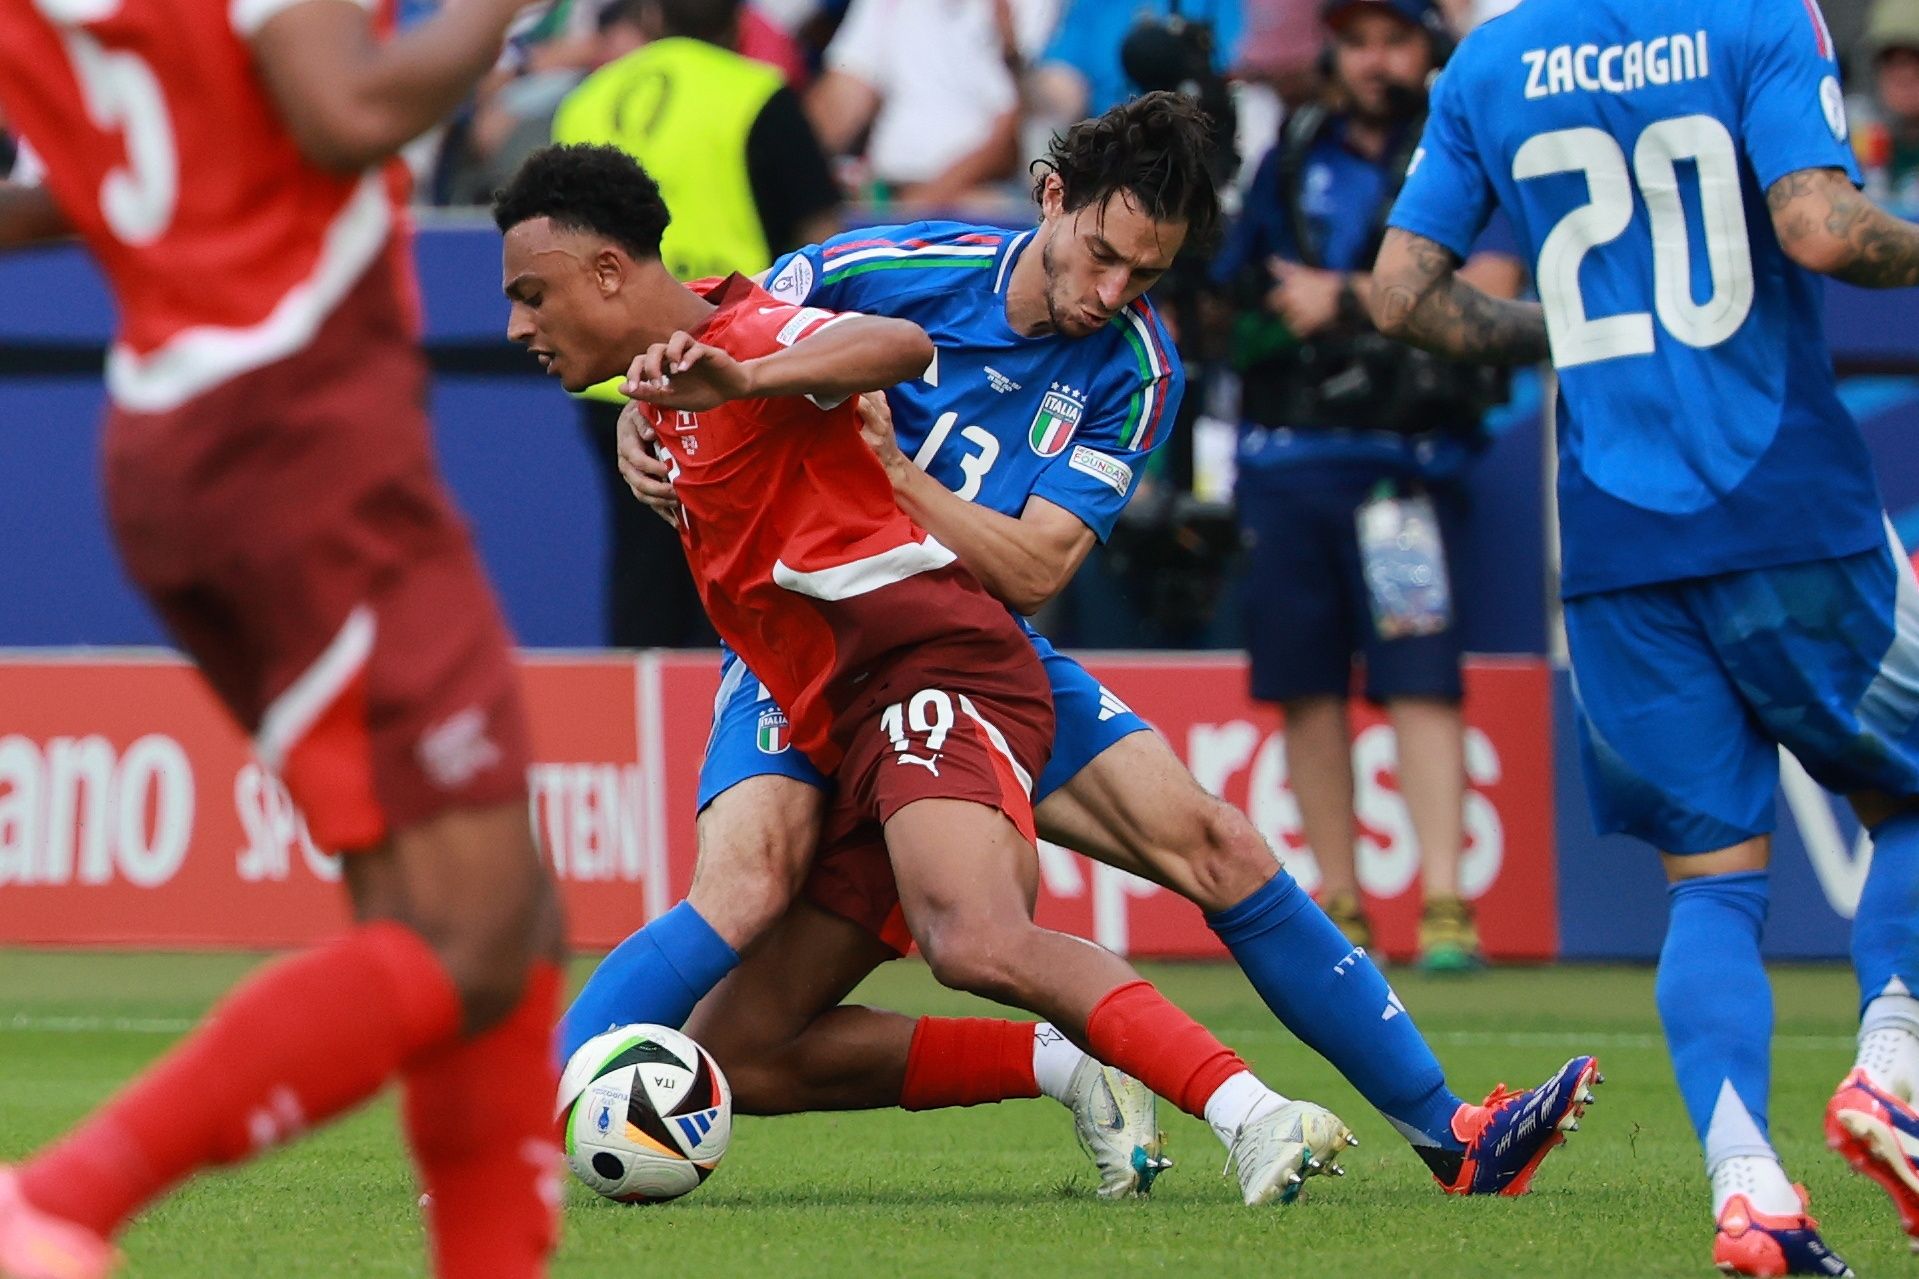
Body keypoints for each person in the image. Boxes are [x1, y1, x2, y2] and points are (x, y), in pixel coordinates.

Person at [576, 90, 1599, 1198]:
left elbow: (1036, 567)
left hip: (964, 662)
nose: (1110, 295)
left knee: (1214, 845)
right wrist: (647, 417)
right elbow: (714, 346)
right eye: (1101, 256)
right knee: (739, 1015)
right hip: (808, 647)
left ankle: (1452, 1134)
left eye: (1144, 277)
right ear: (1049, 197)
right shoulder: (888, 264)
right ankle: (1058, 1063)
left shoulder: (1134, 369)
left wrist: (900, 478)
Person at [496, 140, 1361, 1207]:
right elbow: (755, 334)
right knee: (743, 1054)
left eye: (531, 296)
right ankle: (1061, 1063)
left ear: (607, 272)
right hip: (828, 716)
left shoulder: (750, 339)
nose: (515, 327)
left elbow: (896, 344)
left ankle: (1254, 1111)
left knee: (975, 934)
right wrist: (650, 414)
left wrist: (753, 377)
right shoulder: (674, 381)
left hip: (926, 667)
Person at [0, 1, 565, 1277]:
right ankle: (59, 1197)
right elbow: (345, 109)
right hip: (304, 437)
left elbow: (94, 177)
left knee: (491, 926)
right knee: (473, 937)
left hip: (185, 439)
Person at [1371, 0, 1919, 1268]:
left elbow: (1401, 294)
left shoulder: (1493, 58)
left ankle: (1749, 1192)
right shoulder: (1754, 15)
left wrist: (1566, 329)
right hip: (1786, 506)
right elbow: (1819, 229)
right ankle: (1890, 1064)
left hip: (1614, 540)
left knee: (1712, 888)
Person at [1213, 0, 1525, 971]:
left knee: (1418, 677)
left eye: (1392, 40)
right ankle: (1337, 902)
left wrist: (1340, 300)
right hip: (1284, 460)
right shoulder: (1291, 149)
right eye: (1354, 43)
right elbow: (1235, 285)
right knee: (1303, 682)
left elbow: (1496, 286)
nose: (1374, 62)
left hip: (1402, 467)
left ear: (1425, 49)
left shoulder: (1461, 146)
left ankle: (1443, 903)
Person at [554, 0, 842, 646]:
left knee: (645, 570)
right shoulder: (758, 95)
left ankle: (640, 729)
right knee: (744, 575)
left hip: (614, 368)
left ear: (651, 15)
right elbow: (823, 243)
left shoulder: (586, 99)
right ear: (740, 20)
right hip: (728, 363)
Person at [806, 0, 1061, 209]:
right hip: (889, 193)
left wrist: (916, 205)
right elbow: (843, 95)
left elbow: (1012, 136)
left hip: (983, 195)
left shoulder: (1028, 7)